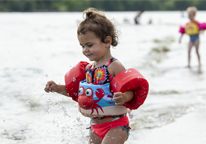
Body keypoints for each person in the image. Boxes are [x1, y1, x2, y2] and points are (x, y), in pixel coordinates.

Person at [44, 8, 149, 144]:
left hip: (116, 124)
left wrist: (124, 97)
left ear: (107, 42)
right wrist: (57, 88)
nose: (85, 50)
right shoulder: (88, 69)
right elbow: (77, 93)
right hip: (95, 126)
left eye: (89, 45)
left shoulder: (114, 66)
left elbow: (130, 91)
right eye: (82, 46)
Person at [179, 6, 201, 72]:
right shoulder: (187, 24)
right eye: (188, 15)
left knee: (196, 51)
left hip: (197, 38)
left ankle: (199, 63)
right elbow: (183, 32)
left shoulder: (197, 23)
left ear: (194, 15)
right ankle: (189, 64)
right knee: (188, 51)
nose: (189, 17)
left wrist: (201, 31)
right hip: (190, 39)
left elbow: (201, 29)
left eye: (190, 15)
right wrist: (180, 38)